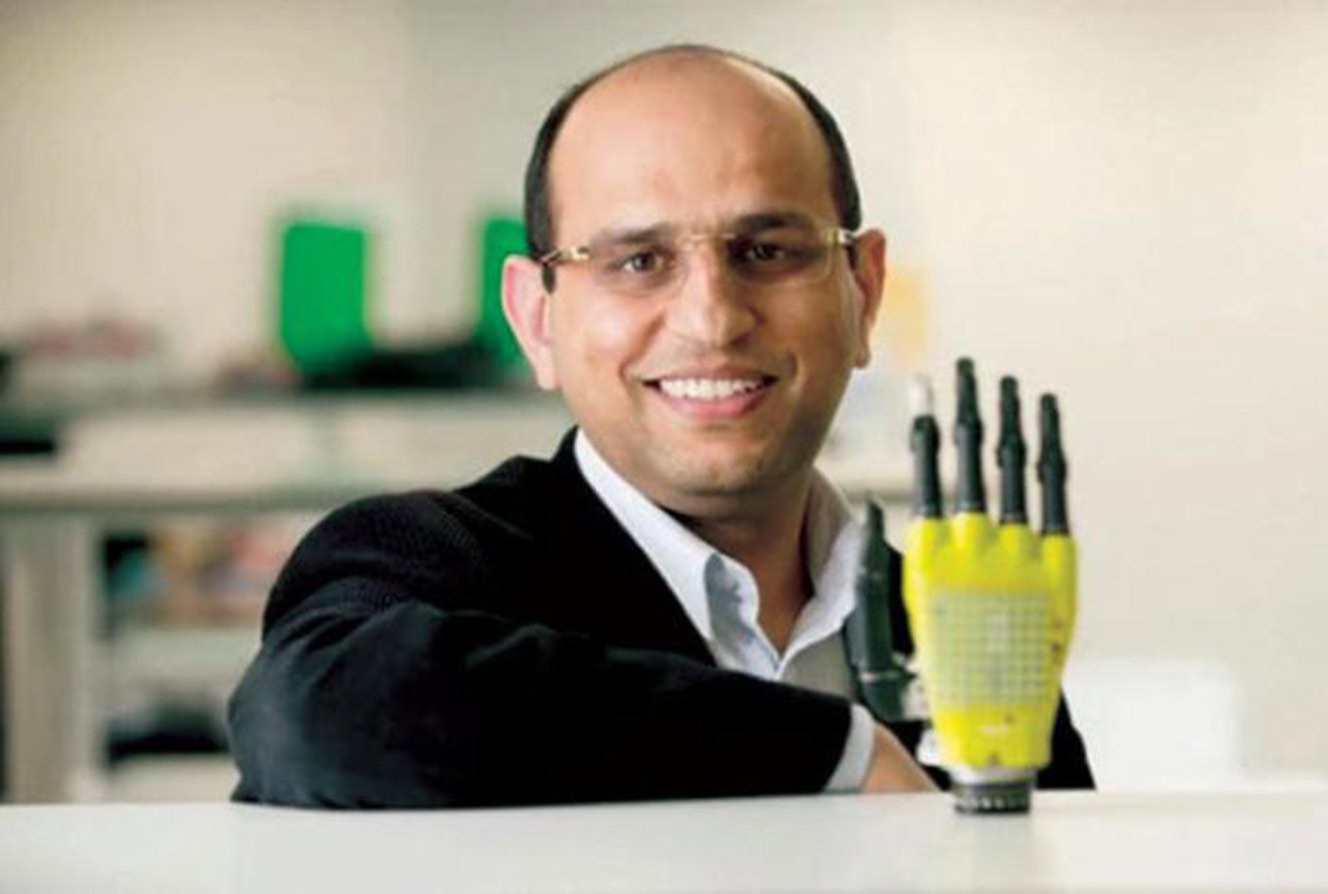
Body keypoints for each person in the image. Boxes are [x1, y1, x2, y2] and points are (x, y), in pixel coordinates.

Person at [227, 44, 1093, 807]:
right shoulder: (429, 562)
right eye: (639, 260)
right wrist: (837, 754)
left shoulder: (953, 630)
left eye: (767, 251)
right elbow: (314, 718)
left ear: (863, 293)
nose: (712, 319)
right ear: (536, 319)